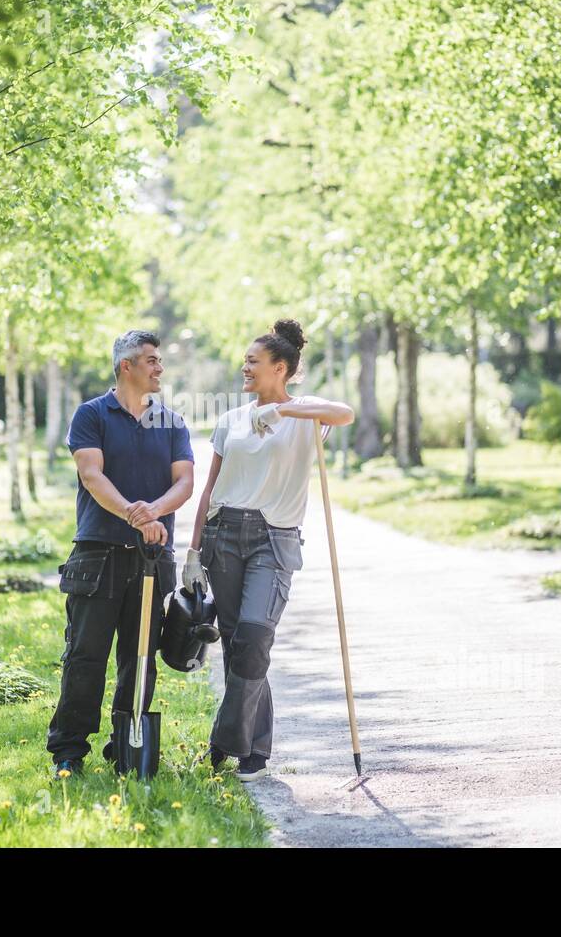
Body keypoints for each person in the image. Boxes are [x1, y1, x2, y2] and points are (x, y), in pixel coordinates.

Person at [185, 319, 354, 781]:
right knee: (239, 645)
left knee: (255, 639)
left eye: (253, 362)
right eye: (245, 361)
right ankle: (252, 752)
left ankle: (224, 741)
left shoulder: (306, 415)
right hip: (223, 536)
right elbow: (210, 488)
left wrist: (283, 413)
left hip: (273, 540)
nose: (244, 368)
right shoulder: (230, 420)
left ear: (280, 368)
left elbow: (344, 413)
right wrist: (193, 550)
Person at [46, 329, 195, 776]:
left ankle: (125, 748)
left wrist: (155, 512)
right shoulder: (91, 415)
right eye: (151, 360)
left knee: (140, 659)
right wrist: (137, 515)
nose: (159, 368)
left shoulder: (171, 422)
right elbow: (92, 474)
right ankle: (69, 752)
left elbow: (184, 482)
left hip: (152, 561)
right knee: (85, 657)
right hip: (99, 556)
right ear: (126, 366)